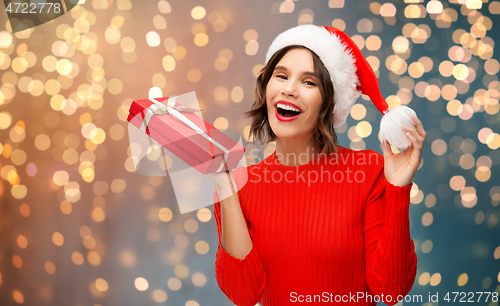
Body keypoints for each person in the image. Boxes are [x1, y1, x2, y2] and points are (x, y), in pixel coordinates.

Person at [207, 24, 426, 306]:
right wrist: (225, 189)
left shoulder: (369, 171)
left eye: (308, 82)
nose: (289, 89)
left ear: (328, 103)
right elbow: (242, 295)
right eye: (281, 76)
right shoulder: (237, 184)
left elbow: (391, 290)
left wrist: (397, 188)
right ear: (266, 88)